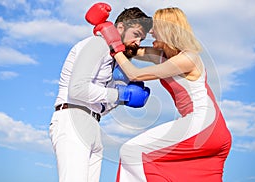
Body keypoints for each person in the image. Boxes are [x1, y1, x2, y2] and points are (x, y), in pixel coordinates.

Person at [94, 7, 232, 182]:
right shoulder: (162, 55)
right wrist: (110, 32)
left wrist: (113, 45)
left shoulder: (188, 58)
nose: (151, 31)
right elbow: (130, 50)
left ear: (168, 30)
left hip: (204, 123)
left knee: (132, 151)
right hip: (209, 128)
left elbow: (135, 74)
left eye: (155, 27)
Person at [49, 3, 152, 182]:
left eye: (141, 39)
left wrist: (121, 99)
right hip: (73, 119)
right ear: (120, 27)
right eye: (136, 35)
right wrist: (122, 95)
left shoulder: (113, 58)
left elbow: (100, 106)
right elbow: (77, 90)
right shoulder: (98, 44)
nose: (137, 43)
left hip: (93, 123)